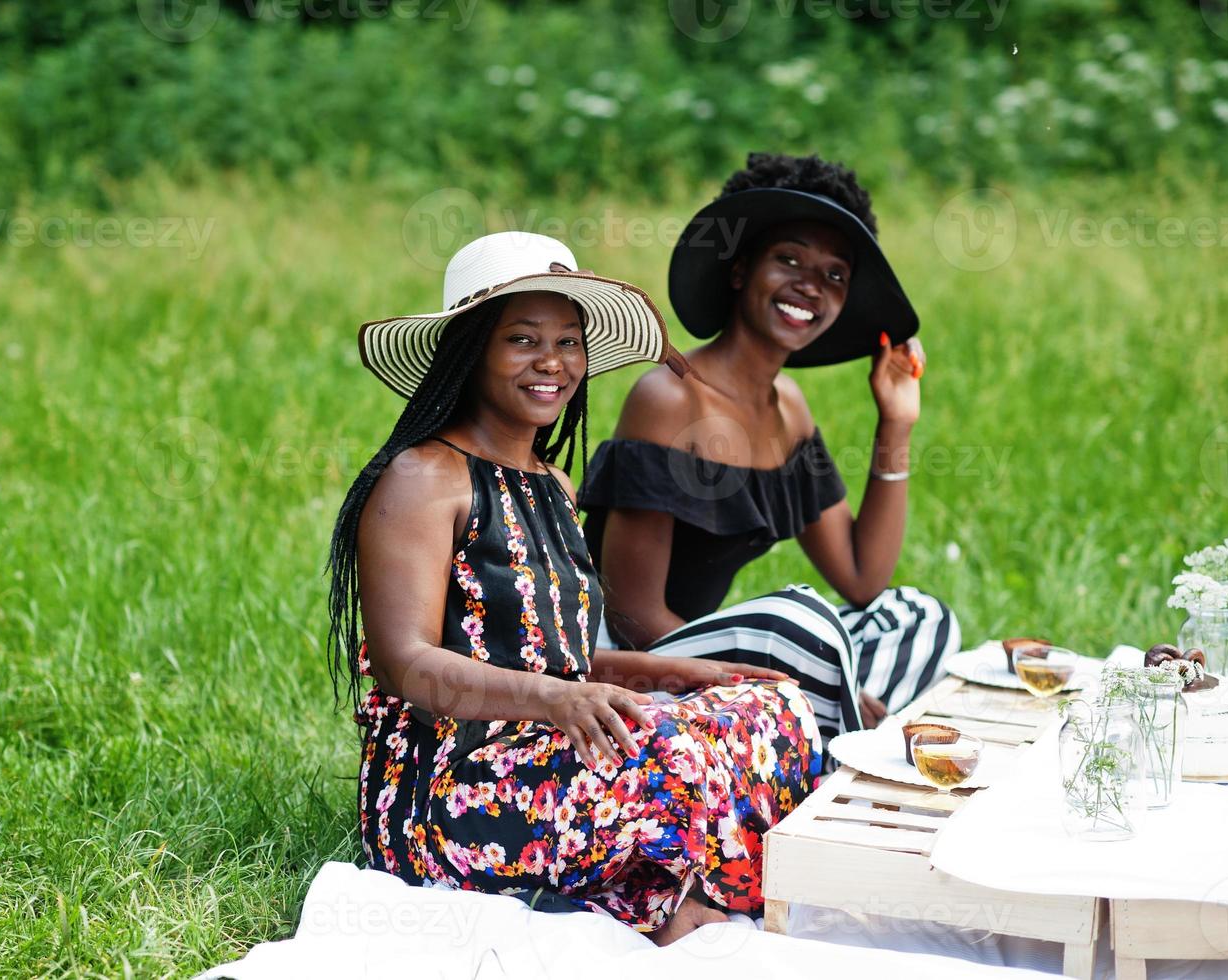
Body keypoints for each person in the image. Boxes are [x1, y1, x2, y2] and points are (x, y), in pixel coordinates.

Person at [326, 231, 823, 944]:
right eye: (521, 340)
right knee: (674, 758)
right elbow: (406, 665)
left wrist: (679, 673)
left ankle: (655, 890)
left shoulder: (554, 484)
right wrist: (557, 701)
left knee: (766, 708)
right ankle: (661, 896)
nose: (551, 364)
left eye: (568, 342)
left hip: (546, 745)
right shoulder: (422, 478)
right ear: (470, 352)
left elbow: (552, 658)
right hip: (449, 788)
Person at [579, 153, 960, 741]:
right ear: (739, 272)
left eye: (835, 275)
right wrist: (778, 679)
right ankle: (831, 736)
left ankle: (818, 736)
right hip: (633, 669)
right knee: (796, 625)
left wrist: (896, 424)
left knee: (919, 617)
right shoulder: (670, 398)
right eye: (789, 260)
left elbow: (861, 579)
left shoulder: (790, 408)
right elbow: (632, 617)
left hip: (720, 656)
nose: (811, 286)